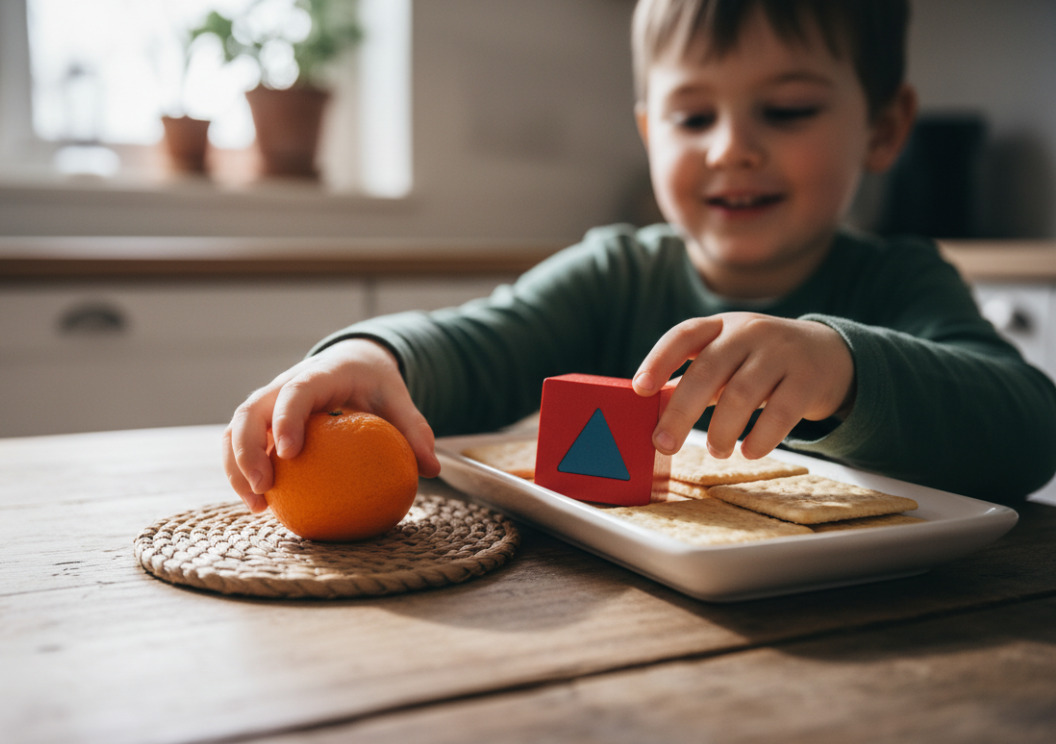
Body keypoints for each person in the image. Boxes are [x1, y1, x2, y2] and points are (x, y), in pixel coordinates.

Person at [224, 0, 1056, 509]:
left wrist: (843, 367)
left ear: (883, 127)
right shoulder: (613, 274)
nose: (733, 147)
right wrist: (374, 359)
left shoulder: (902, 280)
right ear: (649, 132)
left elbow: (1028, 429)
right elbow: (481, 342)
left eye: (789, 109)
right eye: (694, 118)